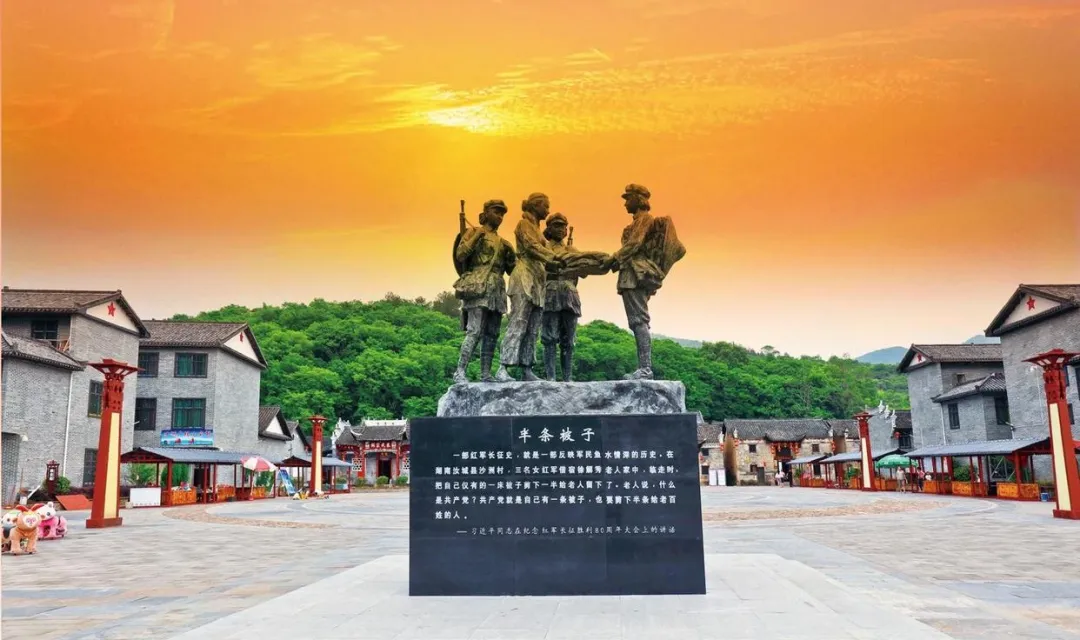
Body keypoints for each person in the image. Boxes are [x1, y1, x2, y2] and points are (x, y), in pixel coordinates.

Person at [607, 184, 684, 379]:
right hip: (629, 274)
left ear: (638, 199)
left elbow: (634, 244)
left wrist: (613, 258)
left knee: (639, 320)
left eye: (628, 198)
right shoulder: (634, 223)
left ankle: (645, 368)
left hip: (636, 276)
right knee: (636, 322)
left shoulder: (645, 220)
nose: (625, 203)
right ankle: (643, 367)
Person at [495, 193, 564, 382]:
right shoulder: (524, 224)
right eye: (545, 206)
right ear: (535, 206)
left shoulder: (538, 230)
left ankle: (526, 367)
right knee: (518, 322)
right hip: (524, 276)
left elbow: (545, 252)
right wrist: (553, 257)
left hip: (538, 280)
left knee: (533, 328)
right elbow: (532, 247)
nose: (548, 210)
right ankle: (503, 367)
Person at [451, 199, 516, 383]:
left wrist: (512, 255)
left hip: (497, 288)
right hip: (478, 285)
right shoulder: (473, 232)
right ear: (486, 213)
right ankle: (460, 372)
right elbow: (460, 254)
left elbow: (511, 270)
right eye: (496, 212)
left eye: (502, 214)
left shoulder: (503, 242)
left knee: (492, 333)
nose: (500, 216)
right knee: (475, 331)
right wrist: (477, 236)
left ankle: (485, 373)